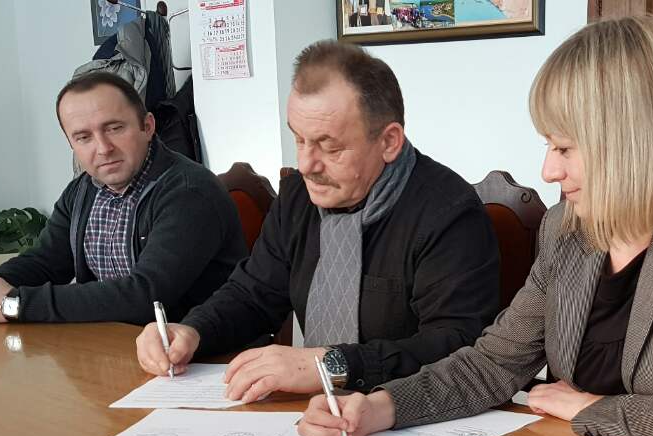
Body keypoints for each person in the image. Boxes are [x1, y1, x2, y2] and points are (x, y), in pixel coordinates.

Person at [296, 15, 653, 436]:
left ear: (632, 142)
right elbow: (493, 364)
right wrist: (379, 407)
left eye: (564, 147)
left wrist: (587, 408)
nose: (548, 170)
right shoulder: (567, 227)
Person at [133, 41, 499, 402]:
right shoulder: (299, 197)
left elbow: (456, 345)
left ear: (389, 142)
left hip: (410, 416)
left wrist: (332, 365)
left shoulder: (448, 213)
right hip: (312, 416)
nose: (307, 165)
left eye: (330, 147)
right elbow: (253, 296)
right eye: (299, 139)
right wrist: (193, 331)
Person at [0, 72, 244, 325]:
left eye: (114, 128)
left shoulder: (189, 192)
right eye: (83, 137)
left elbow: (146, 297)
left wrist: (10, 304)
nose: (103, 148)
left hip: (198, 359)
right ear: (71, 143)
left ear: (147, 126)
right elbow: (45, 262)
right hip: (111, 346)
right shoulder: (83, 190)